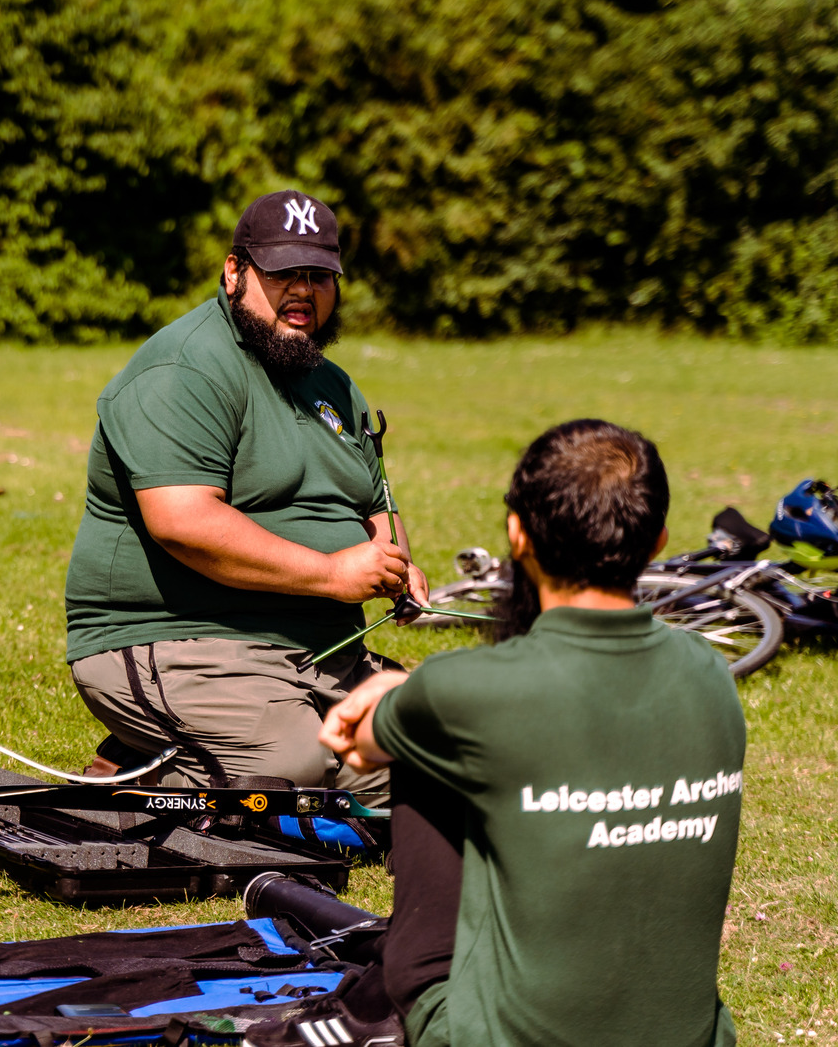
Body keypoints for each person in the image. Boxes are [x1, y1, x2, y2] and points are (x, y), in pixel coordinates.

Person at [247, 419, 744, 1047]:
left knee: (426, 754)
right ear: (658, 541)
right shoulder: (709, 674)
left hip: (490, 1035)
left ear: (518, 534)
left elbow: (358, 739)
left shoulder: (464, 691)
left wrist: (406, 697)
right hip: (695, 1036)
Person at [63, 189, 427, 795]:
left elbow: (373, 506)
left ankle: (220, 752)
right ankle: (131, 769)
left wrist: (395, 564)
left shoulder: (333, 385)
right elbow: (184, 522)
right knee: (294, 770)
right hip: (183, 639)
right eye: (284, 273)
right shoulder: (185, 367)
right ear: (234, 272)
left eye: (319, 276)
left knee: (435, 757)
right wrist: (333, 574)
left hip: (321, 649)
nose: (304, 292)